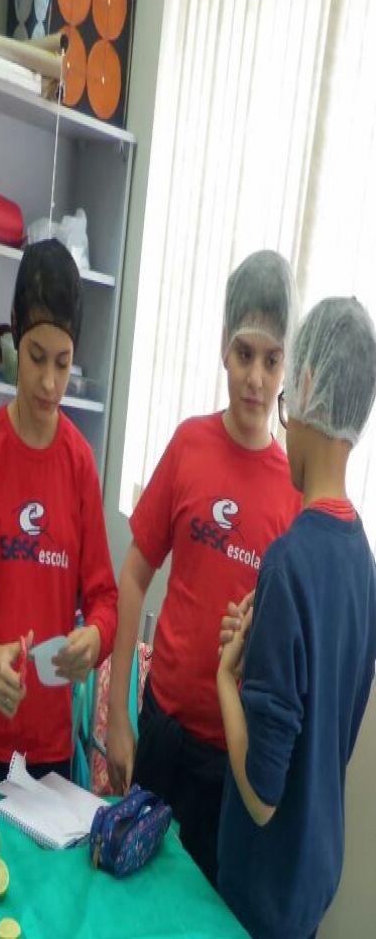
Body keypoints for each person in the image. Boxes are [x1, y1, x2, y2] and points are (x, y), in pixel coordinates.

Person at [106, 249, 302, 886]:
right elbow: (134, 576)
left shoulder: (293, 492)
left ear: (286, 368)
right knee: (136, 905)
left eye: (270, 360)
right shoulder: (190, 446)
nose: (255, 378)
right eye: (244, 354)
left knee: (202, 916)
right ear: (223, 348)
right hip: (161, 730)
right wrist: (119, 717)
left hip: (231, 760)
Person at [217, 296, 376, 939]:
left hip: (264, 888)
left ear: (305, 384)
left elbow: (262, 797)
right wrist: (260, 652)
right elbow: (326, 720)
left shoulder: (287, 564)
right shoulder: (362, 559)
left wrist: (225, 681)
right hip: (315, 874)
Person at [0, 238, 118, 786]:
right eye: (36, 358)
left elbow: (105, 600)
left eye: (63, 363)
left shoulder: (79, 464)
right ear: (15, 332)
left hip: (50, 748)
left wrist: (95, 639)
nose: (48, 382)